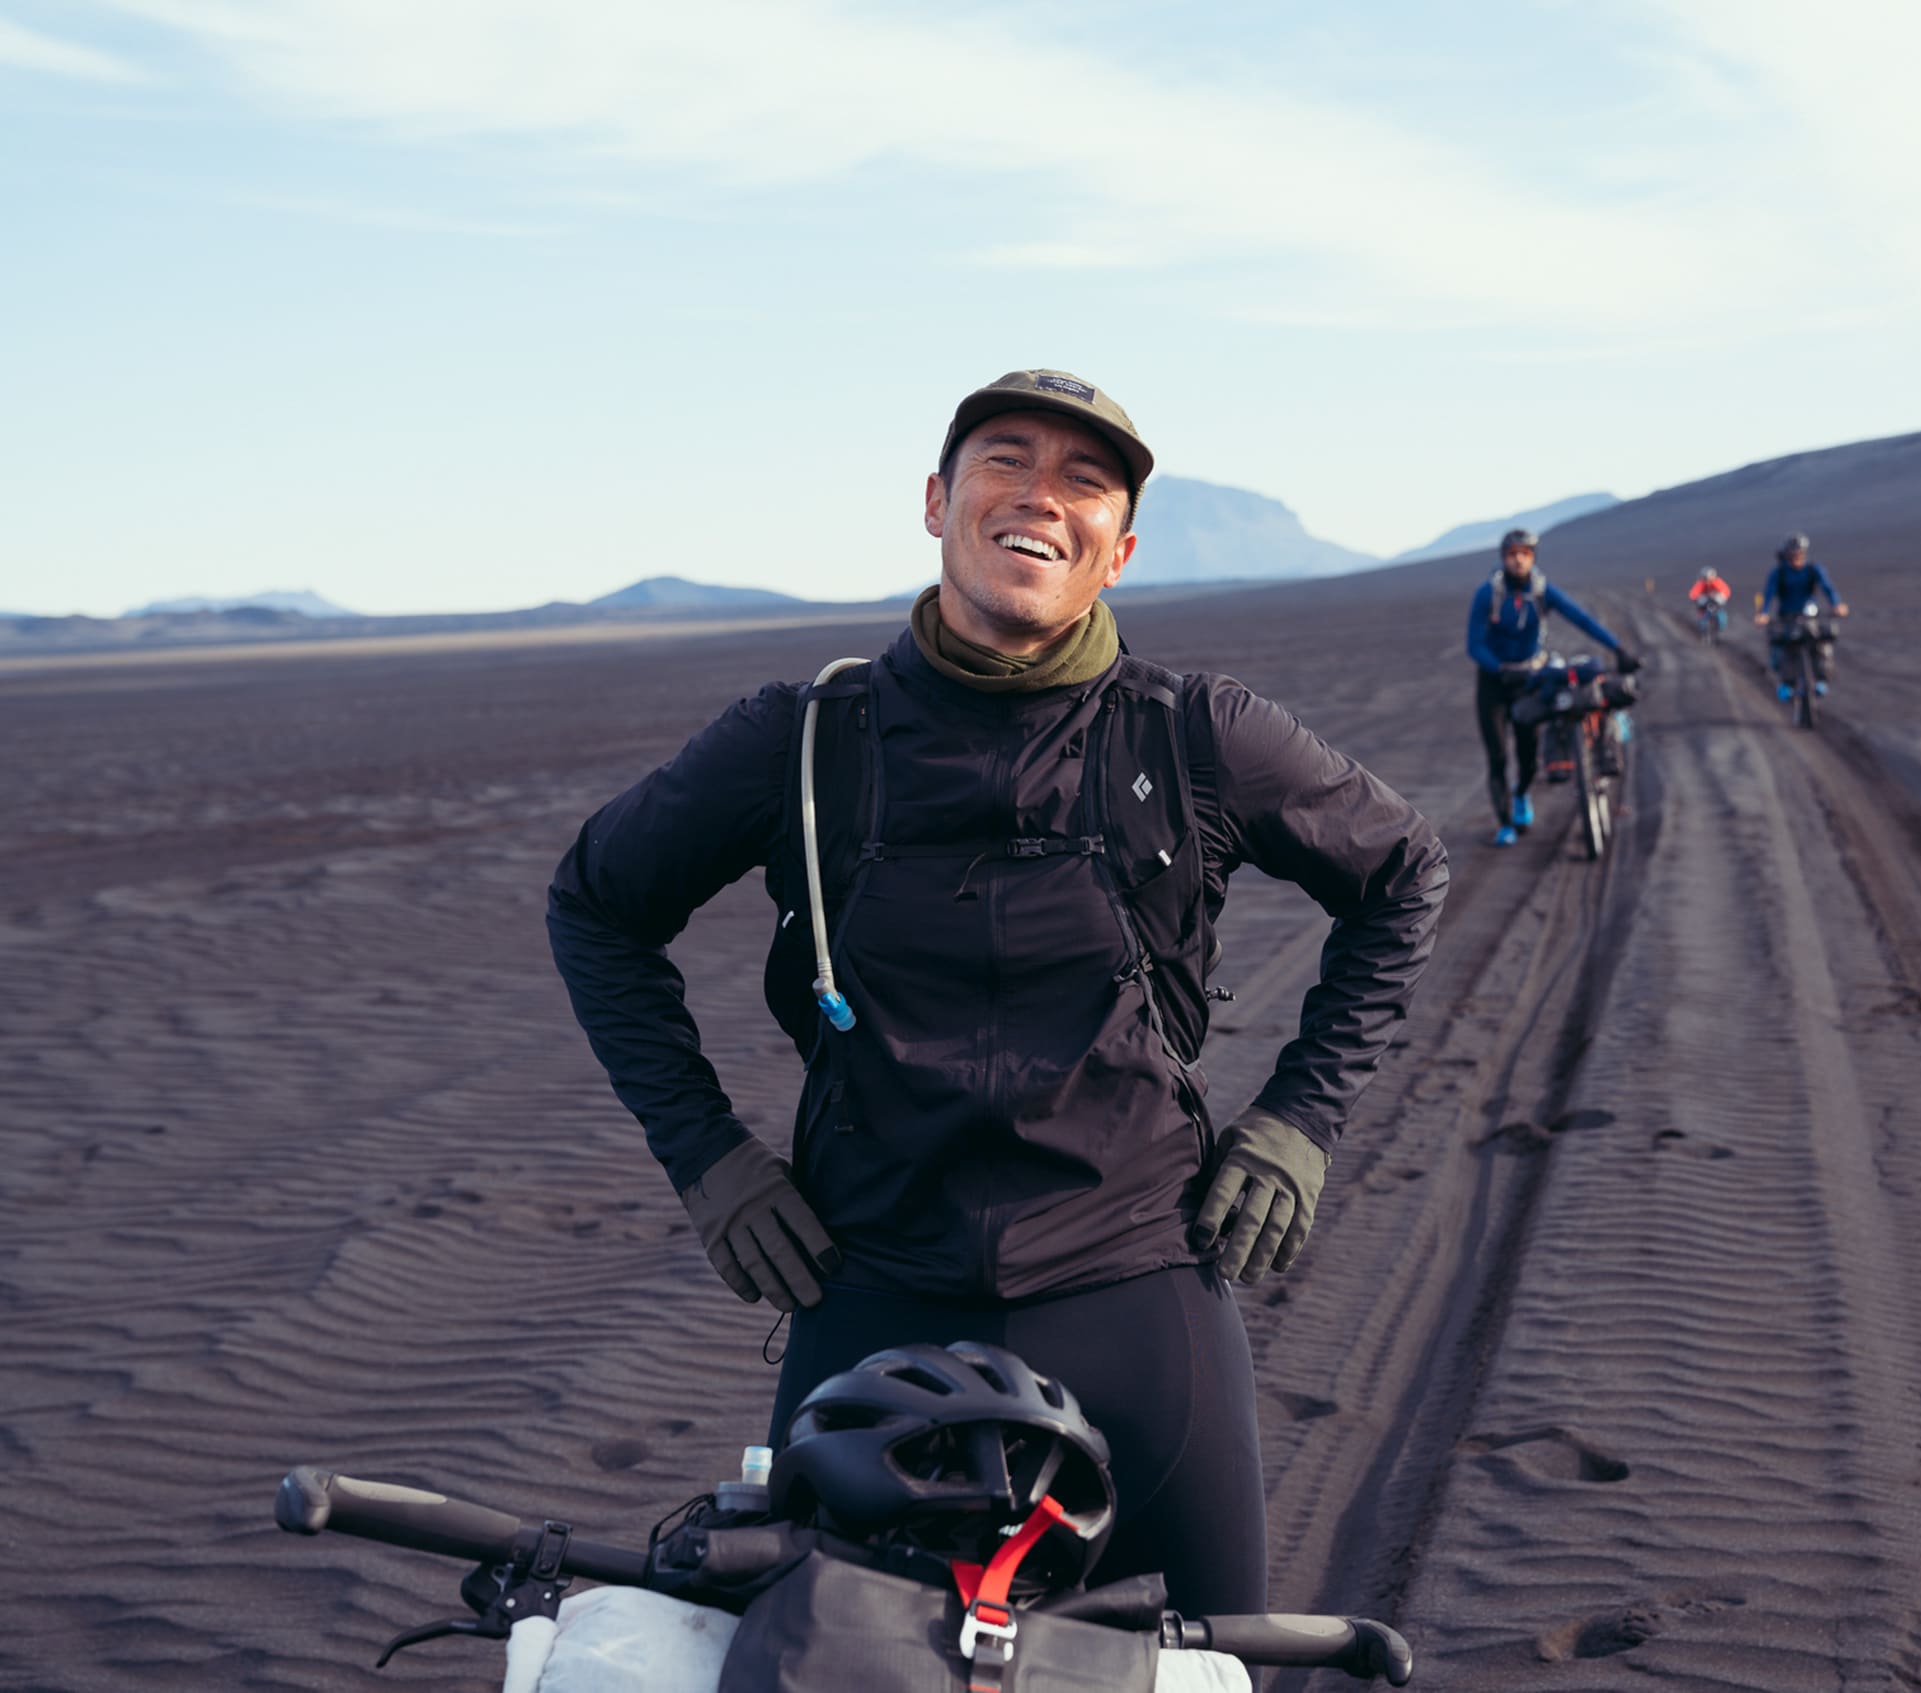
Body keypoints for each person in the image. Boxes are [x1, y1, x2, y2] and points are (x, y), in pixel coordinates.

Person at [547, 369, 1450, 1618]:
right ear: (936, 500)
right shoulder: (804, 739)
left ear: (1116, 551)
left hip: (1138, 1297)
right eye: (1004, 460)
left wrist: (1301, 1119)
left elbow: (1403, 871)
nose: (1040, 496)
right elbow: (595, 904)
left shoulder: (1195, 736)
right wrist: (707, 1156)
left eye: (1084, 481)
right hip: (865, 1301)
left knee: (1206, 1664)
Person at [1466, 528, 1635, 847]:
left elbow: (1581, 618)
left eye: (1525, 554)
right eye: (1513, 553)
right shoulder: (1488, 594)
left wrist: (1617, 647)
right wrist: (1499, 669)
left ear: (1532, 557)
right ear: (1504, 558)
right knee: (1498, 755)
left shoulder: (1542, 591)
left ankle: (1520, 795)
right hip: (1494, 684)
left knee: (1529, 756)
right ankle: (1504, 824)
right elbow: (1474, 645)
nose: (1518, 559)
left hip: (1529, 680)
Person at [1751, 532, 1848, 699]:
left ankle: (1821, 680)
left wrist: (1837, 605)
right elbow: (1768, 594)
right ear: (1787, 553)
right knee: (1783, 646)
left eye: (1800, 552)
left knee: (1821, 643)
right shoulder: (1779, 572)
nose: (1797, 555)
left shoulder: (1813, 569)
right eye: (1793, 552)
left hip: (1810, 615)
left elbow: (1828, 588)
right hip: (1787, 616)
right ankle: (1785, 683)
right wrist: (1763, 614)